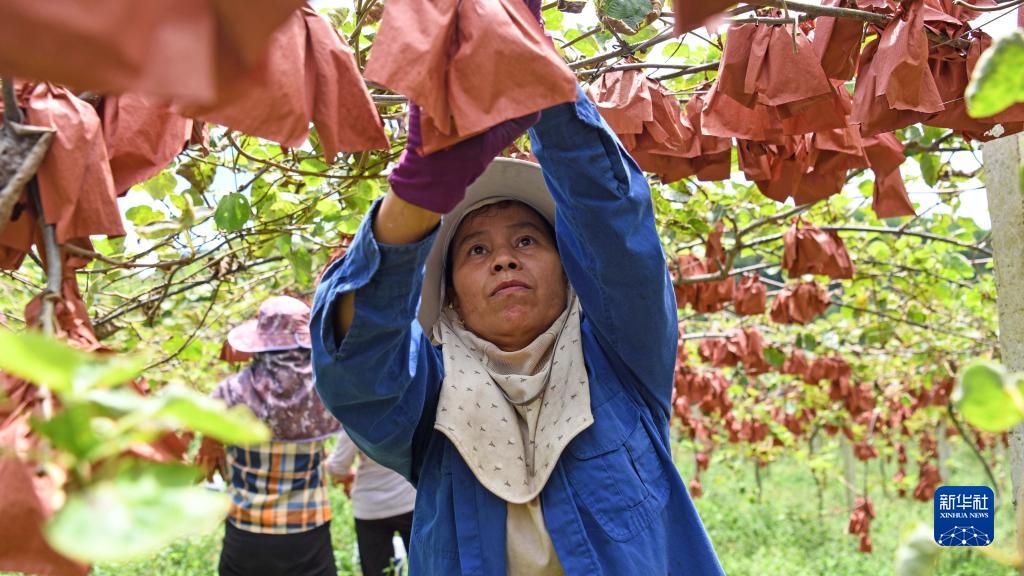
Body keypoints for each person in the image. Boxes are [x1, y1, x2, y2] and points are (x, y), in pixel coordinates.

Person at [311, 16, 724, 576]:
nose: (504, 258)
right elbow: (358, 362)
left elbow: (614, 225)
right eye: (476, 251)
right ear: (451, 297)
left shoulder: (622, 363)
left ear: (568, 268)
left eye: (526, 240)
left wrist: (533, 64)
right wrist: (416, 193)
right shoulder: (429, 401)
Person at [196, 295, 342, 576]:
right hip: (307, 531)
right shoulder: (324, 390)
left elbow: (208, 438)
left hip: (248, 531)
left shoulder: (231, 392)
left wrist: (210, 442)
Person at [326, 427, 417, 576]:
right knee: (425, 566)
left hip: (370, 508)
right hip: (408, 499)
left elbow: (337, 467)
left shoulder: (356, 416)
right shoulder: (412, 407)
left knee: (377, 571)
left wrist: (332, 468)